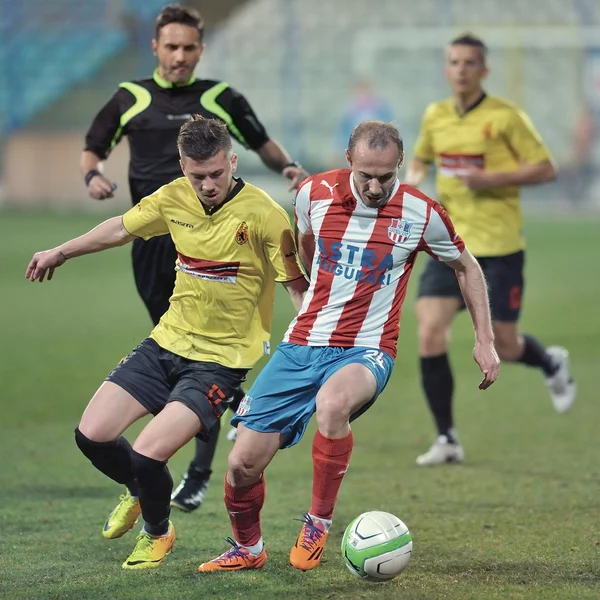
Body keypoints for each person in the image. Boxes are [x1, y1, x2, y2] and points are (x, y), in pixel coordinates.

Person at [196, 120, 500, 573]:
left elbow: (467, 267)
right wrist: (305, 290)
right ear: (348, 160)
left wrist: (485, 339)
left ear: (400, 164)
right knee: (242, 464)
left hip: (368, 348)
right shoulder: (312, 195)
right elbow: (300, 243)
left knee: (333, 404)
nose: (375, 187)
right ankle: (249, 549)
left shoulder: (421, 212)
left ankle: (317, 522)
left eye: (385, 176)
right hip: (302, 345)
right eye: (365, 176)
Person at [26, 116, 308, 570]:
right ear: (182, 167)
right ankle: (141, 489)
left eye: (217, 173)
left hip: (220, 361)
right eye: (198, 176)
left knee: (145, 453)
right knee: (92, 436)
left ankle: (158, 532)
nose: (209, 184)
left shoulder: (265, 215)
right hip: (167, 341)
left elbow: (295, 285)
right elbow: (120, 228)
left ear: (232, 161)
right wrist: (61, 251)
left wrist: (316, 341)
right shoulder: (173, 197)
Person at [81, 3, 309, 512]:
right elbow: (93, 147)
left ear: (200, 50)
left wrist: (291, 168)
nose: (180, 56)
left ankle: (198, 473)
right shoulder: (131, 97)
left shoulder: (220, 98)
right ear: (156, 48)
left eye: (189, 48)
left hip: (223, 239)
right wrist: (92, 175)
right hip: (155, 242)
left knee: (210, 354)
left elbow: (261, 140)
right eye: (172, 47)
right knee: (174, 350)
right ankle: (156, 462)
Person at [404, 33, 576, 467]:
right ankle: (446, 438)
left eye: (469, 62)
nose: (460, 69)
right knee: (429, 332)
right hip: (449, 245)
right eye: (454, 62)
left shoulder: (505, 117)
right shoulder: (436, 115)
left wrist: (491, 179)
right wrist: (415, 180)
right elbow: (422, 156)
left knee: (506, 344)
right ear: (446, 69)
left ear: (484, 70)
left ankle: (549, 362)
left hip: (498, 249)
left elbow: (547, 168)